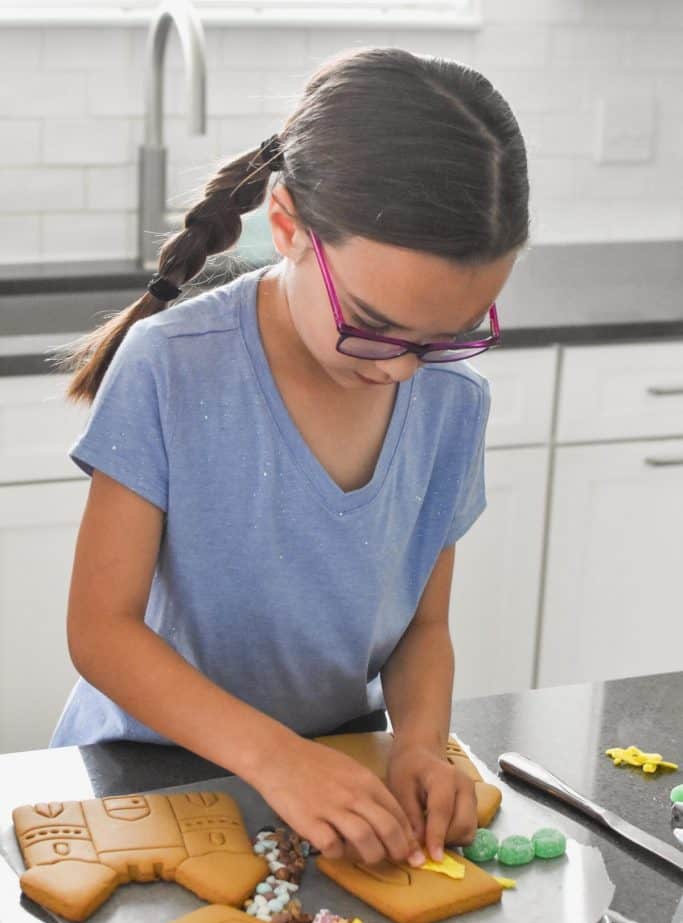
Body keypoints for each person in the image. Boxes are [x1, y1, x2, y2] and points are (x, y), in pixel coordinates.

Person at [48, 46, 529, 870]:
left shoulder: (453, 400)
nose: (403, 368)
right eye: (373, 324)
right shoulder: (173, 366)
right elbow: (102, 632)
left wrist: (419, 745)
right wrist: (273, 758)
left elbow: (423, 624)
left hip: (335, 774)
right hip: (144, 781)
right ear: (287, 228)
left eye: (449, 334)